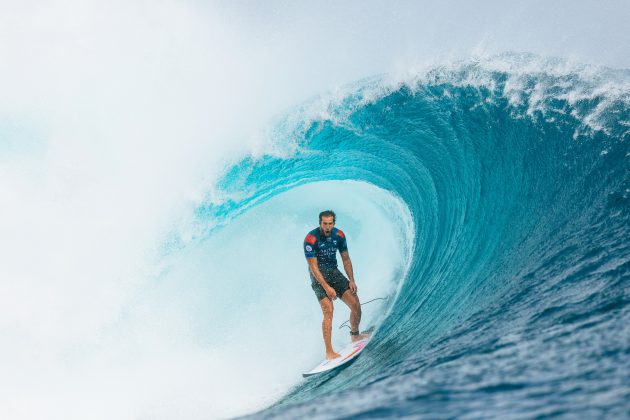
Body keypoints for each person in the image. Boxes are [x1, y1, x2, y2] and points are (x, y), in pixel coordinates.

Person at [303, 210, 369, 360]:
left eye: (330, 223)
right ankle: (329, 352)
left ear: (334, 223)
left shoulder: (339, 235)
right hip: (318, 277)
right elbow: (313, 267)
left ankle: (355, 335)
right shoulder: (311, 239)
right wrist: (327, 287)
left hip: (334, 273)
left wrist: (351, 279)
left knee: (355, 304)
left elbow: (345, 259)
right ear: (320, 223)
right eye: (324, 224)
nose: (327, 227)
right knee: (328, 311)